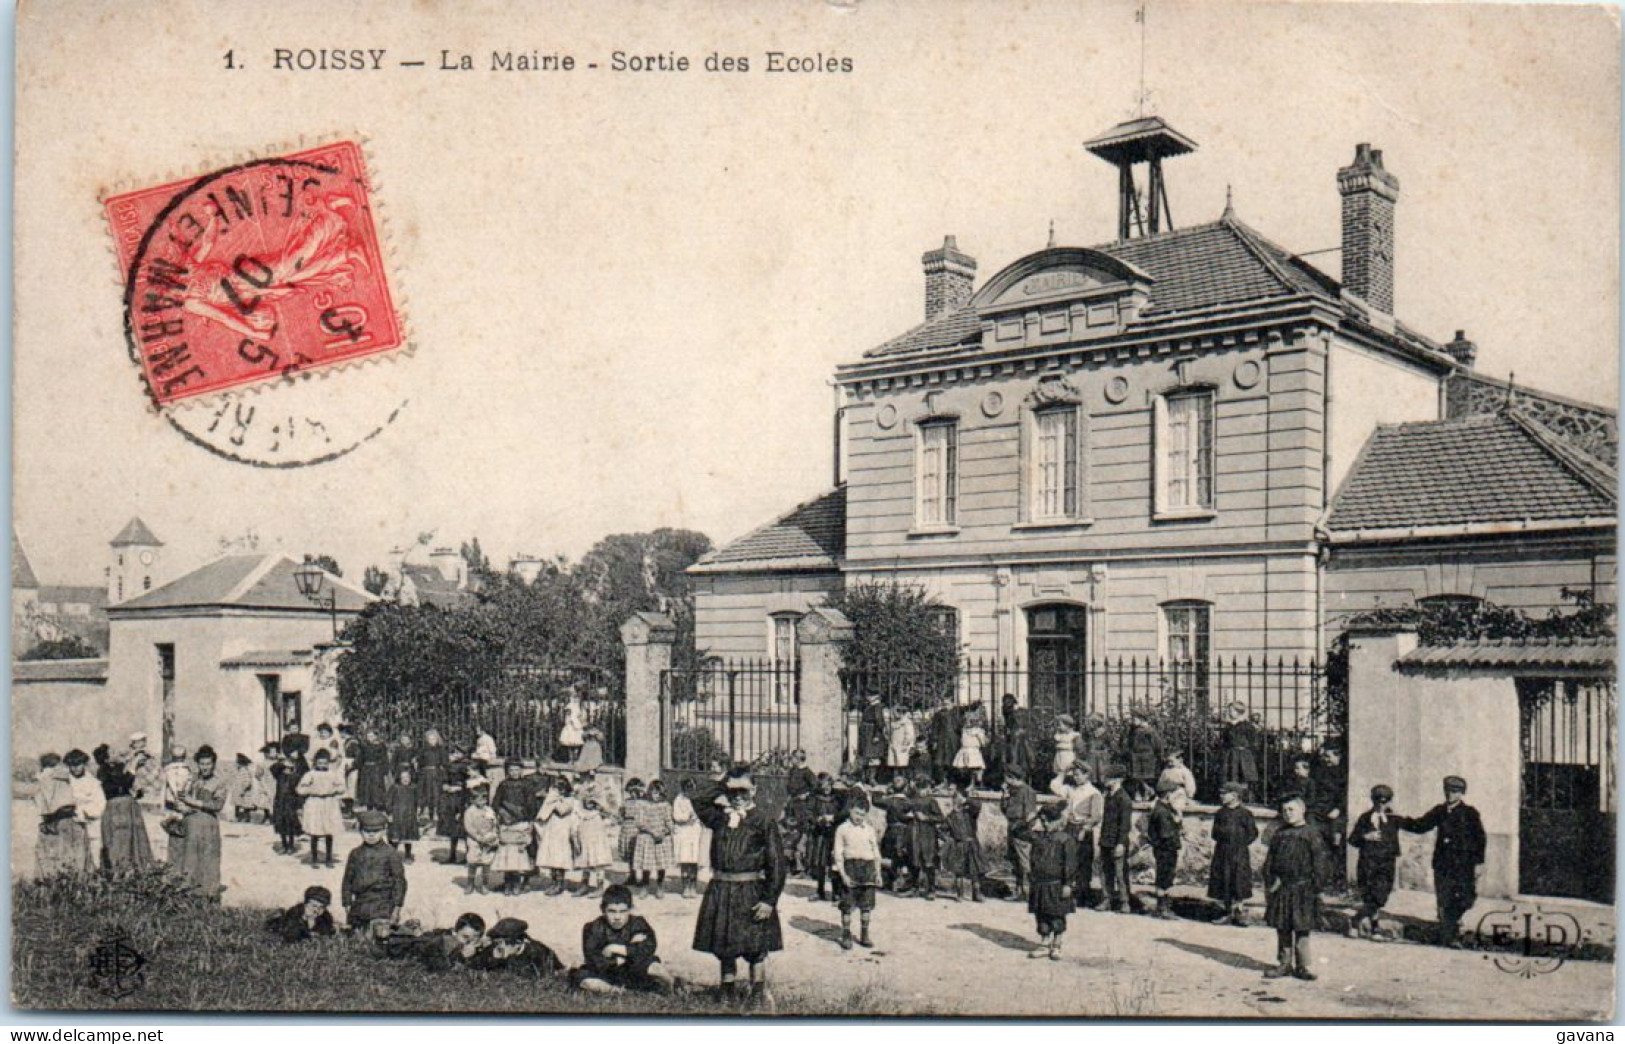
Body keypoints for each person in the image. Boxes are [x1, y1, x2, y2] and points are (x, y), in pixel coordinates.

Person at [691, 768, 786, 1004]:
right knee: (724, 945)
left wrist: (769, 900)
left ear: (754, 790)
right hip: (722, 889)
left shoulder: (764, 820)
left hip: (751, 891)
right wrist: (724, 782)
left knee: (755, 947)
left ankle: (757, 994)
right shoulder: (719, 817)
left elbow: (777, 864)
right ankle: (727, 991)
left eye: (744, 790)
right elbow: (699, 798)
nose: (738, 796)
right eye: (733, 791)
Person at [1401, 775, 1486, 948]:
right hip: (1443, 863)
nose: (1450, 795)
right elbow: (1421, 825)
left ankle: (1452, 923)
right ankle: (1450, 933)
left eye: (1454, 791)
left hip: (1464, 864)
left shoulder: (1470, 813)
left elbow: (1480, 838)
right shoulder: (1439, 811)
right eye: (1447, 791)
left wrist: (1479, 862)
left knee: (1466, 897)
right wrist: (1399, 820)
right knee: (1445, 897)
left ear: (1461, 793)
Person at [1264, 794, 1331, 980]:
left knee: (1302, 927)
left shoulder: (1311, 834)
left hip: (1304, 888)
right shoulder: (1279, 834)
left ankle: (1302, 966)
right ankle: (1284, 964)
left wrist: (1317, 887)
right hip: (1283, 887)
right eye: (1284, 810)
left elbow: (1320, 862)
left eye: (1291, 809)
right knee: (1283, 926)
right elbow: (1270, 862)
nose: (1287, 814)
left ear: (1302, 810)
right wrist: (1271, 881)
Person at [573, 884, 677, 994]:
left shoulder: (637, 923)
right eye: (612, 911)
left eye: (622, 911)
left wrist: (617, 948)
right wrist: (621, 958)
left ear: (630, 909)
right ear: (603, 909)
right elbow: (593, 960)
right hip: (605, 973)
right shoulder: (593, 928)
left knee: (652, 965)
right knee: (582, 977)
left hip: (632, 969)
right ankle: (615, 991)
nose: (617, 917)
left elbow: (650, 946)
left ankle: (673, 984)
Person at [1015, 802, 1077, 961]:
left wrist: (1068, 884)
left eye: (1050, 821)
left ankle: (1056, 944)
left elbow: (1070, 864)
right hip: (1039, 883)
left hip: (1056, 884)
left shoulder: (1065, 839)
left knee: (1056, 914)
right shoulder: (1038, 837)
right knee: (1041, 913)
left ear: (1058, 821)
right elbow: (1016, 831)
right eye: (1044, 821)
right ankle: (1044, 943)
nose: (1046, 824)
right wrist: (1032, 818)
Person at [169, 745, 227, 898]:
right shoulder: (192, 778)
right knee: (189, 857)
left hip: (208, 825)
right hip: (191, 824)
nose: (205, 767)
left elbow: (217, 805)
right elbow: (180, 797)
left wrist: (193, 802)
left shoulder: (219, 782)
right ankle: (190, 893)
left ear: (213, 764)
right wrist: (181, 805)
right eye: (202, 764)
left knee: (208, 858)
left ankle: (208, 893)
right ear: (198, 764)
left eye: (208, 764)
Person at [1348, 784, 1404, 939]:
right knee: (1370, 895)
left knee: (1381, 896)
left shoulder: (1394, 819)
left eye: (1384, 802)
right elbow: (1352, 840)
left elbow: (1415, 825)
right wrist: (1365, 837)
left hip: (1386, 863)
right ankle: (1375, 928)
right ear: (1373, 801)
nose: (1381, 805)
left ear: (1389, 802)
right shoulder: (1365, 818)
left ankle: (1355, 920)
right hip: (1368, 863)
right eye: (1377, 801)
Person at [343, 809, 407, 935]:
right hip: (359, 904)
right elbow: (347, 880)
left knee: (379, 938)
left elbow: (399, 882)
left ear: (383, 831)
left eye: (376, 831)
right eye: (367, 831)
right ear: (360, 831)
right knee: (356, 939)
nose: (371, 835)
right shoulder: (355, 854)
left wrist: (397, 908)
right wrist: (347, 903)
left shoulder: (390, 853)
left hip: (382, 905)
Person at [832, 797, 882, 948]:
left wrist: (878, 873)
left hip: (868, 868)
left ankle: (864, 934)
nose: (859, 817)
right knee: (847, 904)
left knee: (867, 904)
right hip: (850, 867)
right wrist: (843, 875)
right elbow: (838, 854)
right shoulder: (842, 829)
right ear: (850, 810)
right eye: (856, 813)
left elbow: (876, 852)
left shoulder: (869, 830)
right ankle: (846, 935)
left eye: (862, 814)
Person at [1050, 763, 1102, 906]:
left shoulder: (1094, 793)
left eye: (1078, 774)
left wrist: (1085, 829)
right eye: (1074, 774)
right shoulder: (1071, 789)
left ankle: (1082, 895)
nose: (1075, 777)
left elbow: (1096, 816)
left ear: (1087, 775)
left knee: (1083, 862)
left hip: (1083, 830)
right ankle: (1067, 892)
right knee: (1067, 860)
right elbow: (1054, 786)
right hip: (1069, 828)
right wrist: (1063, 772)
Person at [94, 744, 152, 870]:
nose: (117, 753)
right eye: (113, 752)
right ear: (106, 759)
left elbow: (133, 787)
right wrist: (132, 768)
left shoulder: (119, 768)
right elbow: (121, 783)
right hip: (117, 809)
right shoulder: (103, 771)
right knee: (120, 841)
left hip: (128, 807)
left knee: (134, 840)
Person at [1208, 781, 1258, 925]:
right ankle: (1227, 911)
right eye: (1221, 793)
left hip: (1239, 853)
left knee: (1239, 880)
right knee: (1224, 879)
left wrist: (1240, 843)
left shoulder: (1245, 814)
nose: (1221, 796)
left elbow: (1252, 833)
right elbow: (1214, 833)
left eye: (1225, 793)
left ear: (1235, 796)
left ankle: (1240, 912)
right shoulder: (1220, 813)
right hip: (1223, 852)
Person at [34, 753, 87, 875]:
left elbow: (42, 804)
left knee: (54, 856)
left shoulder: (43, 779)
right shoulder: (61, 776)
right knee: (72, 854)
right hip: (67, 817)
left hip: (52, 819)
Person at [1096, 765, 1138, 913]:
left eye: (1108, 778)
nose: (1105, 780)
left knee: (1120, 873)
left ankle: (1124, 902)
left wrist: (1120, 843)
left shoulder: (1124, 799)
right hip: (1106, 840)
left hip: (1117, 841)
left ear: (1118, 779)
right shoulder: (1108, 796)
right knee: (1105, 872)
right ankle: (1106, 899)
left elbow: (1125, 824)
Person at [296, 748, 345, 868]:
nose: (322, 765)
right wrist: (312, 790)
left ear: (328, 763)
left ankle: (328, 858)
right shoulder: (310, 774)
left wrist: (334, 790)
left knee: (329, 831)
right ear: (315, 763)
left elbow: (342, 787)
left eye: (325, 763)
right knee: (315, 831)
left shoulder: (333, 774)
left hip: (329, 803)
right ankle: (314, 858)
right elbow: (300, 789)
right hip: (315, 803)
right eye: (320, 763)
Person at [474, 917, 563, 978]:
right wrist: (493, 959)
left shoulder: (536, 953)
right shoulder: (496, 948)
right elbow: (478, 966)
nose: (498, 946)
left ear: (518, 943)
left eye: (502, 942)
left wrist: (506, 959)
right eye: (497, 942)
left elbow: (538, 979)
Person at [939, 785, 986, 902]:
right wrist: (947, 839)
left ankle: (977, 893)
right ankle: (960, 893)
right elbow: (941, 829)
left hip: (971, 844)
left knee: (974, 870)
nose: (957, 803)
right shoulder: (950, 817)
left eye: (959, 800)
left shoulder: (970, 814)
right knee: (959, 871)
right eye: (955, 801)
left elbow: (978, 805)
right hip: (958, 845)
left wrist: (967, 799)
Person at [630, 779, 675, 899]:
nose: (657, 796)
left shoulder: (665, 805)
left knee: (661, 864)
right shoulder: (642, 805)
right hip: (647, 836)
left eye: (659, 793)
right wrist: (651, 831)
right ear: (649, 792)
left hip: (661, 838)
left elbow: (669, 821)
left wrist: (666, 831)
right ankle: (645, 886)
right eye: (654, 793)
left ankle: (660, 886)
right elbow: (640, 822)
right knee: (646, 864)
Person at [1146, 778, 1184, 920]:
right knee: (1165, 877)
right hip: (1166, 849)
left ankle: (1162, 907)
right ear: (1168, 795)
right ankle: (1163, 908)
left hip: (1162, 848)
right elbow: (1165, 833)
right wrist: (1177, 825)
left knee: (1164, 876)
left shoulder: (1162, 807)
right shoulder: (1162, 811)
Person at [536, 776, 581, 896]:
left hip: (562, 832)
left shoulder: (570, 800)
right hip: (552, 830)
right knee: (551, 857)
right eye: (557, 787)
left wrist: (552, 801)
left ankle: (560, 884)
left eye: (561, 788)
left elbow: (562, 811)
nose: (559, 790)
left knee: (559, 858)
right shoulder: (554, 798)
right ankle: (554, 882)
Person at [1000, 767, 1038, 901]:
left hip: (1022, 830)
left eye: (1007, 777)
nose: (1005, 780)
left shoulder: (1027, 791)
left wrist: (1021, 828)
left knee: (1025, 862)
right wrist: (1004, 795)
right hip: (1012, 828)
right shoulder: (1011, 791)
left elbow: (1030, 815)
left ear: (1012, 777)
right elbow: (1004, 810)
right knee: (1014, 861)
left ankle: (1030, 892)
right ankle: (1019, 891)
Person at [803, 773, 842, 902]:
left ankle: (836, 892)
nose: (827, 789)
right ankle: (820, 891)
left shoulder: (837, 797)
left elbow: (841, 813)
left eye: (829, 785)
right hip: (819, 835)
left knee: (834, 863)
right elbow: (808, 813)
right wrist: (818, 820)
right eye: (824, 786)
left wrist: (833, 820)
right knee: (820, 864)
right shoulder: (814, 798)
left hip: (833, 834)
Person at [63, 749, 105, 867]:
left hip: (90, 822)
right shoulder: (65, 782)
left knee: (93, 852)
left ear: (84, 764)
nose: (75, 768)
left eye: (78, 764)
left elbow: (100, 804)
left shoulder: (93, 783)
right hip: (72, 822)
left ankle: (94, 876)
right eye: (71, 765)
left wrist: (87, 813)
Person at [908, 774, 944, 900]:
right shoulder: (911, 800)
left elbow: (940, 818)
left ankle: (931, 889)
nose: (921, 791)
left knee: (929, 861)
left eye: (924, 788)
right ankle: (915, 887)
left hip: (928, 835)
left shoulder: (931, 801)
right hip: (915, 833)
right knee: (914, 859)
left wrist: (927, 818)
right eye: (919, 787)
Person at [269, 743, 308, 855]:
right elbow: (273, 768)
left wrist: (299, 805)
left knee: (290, 825)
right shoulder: (279, 774)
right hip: (280, 802)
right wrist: (281, 761)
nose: (287, 769)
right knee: (281, 825)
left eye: (290, 768)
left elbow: (299, 788)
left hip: (291, 803)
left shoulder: (296, 776)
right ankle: (284, 845)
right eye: (286, 768)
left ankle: (291, 845)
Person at [264, 885, 337, 944]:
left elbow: (327, 933)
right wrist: (306, 922)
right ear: (305, 904)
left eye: (321, 907)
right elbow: (290, 935)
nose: (316, 910)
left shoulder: (325, 916)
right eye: (313, 906)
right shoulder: (295, 912)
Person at [672, 776, 707, 898]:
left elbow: (703, 813)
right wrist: (687, 817)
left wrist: (700, 818)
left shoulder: (697, 799)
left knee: (694, 861)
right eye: (688, 788)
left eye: (692, 788)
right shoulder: (679, 800)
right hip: (684, 832)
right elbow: (676, 816)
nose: (690, 791)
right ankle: (686, 887)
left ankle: (693, 886)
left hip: (695, 832)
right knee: (685, 861)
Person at [421, 913, 492, 972]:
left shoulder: (476, 947)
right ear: (454, 932)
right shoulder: (439, 943)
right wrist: (461, 956)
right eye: (465, 937)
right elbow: (438, 970)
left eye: (474, 939)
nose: (469, 943)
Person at [573, 794, 613, 898]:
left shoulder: (598, 815)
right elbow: (576, 828)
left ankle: (600, 887)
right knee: (585, 865)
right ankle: (584, 885)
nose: (589, 804)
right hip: (585, 843)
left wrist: (602, 808)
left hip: (597, 844)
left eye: (592, 802)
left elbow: (610, 817)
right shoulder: (581, 814)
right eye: (587, 802)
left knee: (598, 866)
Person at [462, 783, 499, 894]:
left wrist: (492, 835)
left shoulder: (489, 810)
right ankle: (470, 884)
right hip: (474, 839)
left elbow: (494, 823)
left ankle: (484, 884)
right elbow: (468, 827)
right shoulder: (470, 812)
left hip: (488, 839)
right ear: (473, 800)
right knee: (473, 861)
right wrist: (477, 837)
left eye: (484, 799)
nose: (481, 802)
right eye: (478, 799)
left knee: (486, 863)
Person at [1220, 702, 1260, 794]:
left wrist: (1247, 752)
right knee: (1231, 774)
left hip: (1243, 754)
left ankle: (1244, 796)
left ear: (1239, 712)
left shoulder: (1247, 726)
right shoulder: (1228, 726)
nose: (1229, 713)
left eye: (1231, 711)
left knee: (1244, 775)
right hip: (1230, 754)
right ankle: (1232, 793)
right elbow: (1225, 741)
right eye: (1229, 710)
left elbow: (1253, 742)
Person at [439, 750, 470, 864]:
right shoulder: (448, 765)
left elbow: (472, 782)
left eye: (458, 753)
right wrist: (445, 785)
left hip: (462, 798)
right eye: (453, 752)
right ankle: (452, 854)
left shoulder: (467, 766)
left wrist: (459, 788)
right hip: (451, 799)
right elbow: (444, 779)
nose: (455, 755)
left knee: (464, 827)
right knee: (452, 828)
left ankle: (468, 855)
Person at [997, 694, 1034, 786]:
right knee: (1008, 757)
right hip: (1010, 738)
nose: (1006, 705)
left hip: (1017, 739)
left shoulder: (1017, 713)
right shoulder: (1006, 713)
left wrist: (1018, 731)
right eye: (1005, 702)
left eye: (1009, 702)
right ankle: (1010, 777)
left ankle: (1021, 777)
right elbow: (1006, 726)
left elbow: (1022, 727)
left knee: (1020, 757)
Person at [1127, 711, 1164, 801]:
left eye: (1135, 719)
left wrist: (1158, 755)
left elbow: (1157, 744)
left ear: (1142, 719)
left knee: (1146, 777)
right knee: (1136, 777)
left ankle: (1149, 793)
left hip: (1147, 757)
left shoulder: (1150, 731)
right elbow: (1129, 743)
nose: (1132, 721)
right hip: (1135, 757)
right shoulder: (1133, 731)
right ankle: (1141, 793)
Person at [417, 728, 449, 830]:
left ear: (437, 739)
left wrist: (444, 777)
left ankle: (436, 816)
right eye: (430, 738)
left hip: (436, 775)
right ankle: (426, 816)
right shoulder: (423, 750)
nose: (432, 740)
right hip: (425, 775)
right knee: (426, 795)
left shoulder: (441, 750)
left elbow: (445, 764)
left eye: (434, 738)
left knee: (436, 795)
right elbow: (420, 763)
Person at [387, 765, 421, 862]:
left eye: (408, 777)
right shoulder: (395, 788)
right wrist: (389, 813)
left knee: (408, 837)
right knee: (395, 836)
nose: (406, 780)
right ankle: (392, 856)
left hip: (409, 815)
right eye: (403, 778)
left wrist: (418, 812)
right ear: (399, 778)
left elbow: (417, 801)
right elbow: (388, 801)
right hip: (397, 815)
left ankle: (408, 855)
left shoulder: (413, 788)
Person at [354, 728, 391, 811]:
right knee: (367, 789)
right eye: (368, 736)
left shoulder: (381, 746)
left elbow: (384, 758)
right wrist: (357, 766)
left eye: (371, 736)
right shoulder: (363, 747)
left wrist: (384, 769)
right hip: (366, 771)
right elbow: (360, 759)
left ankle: (378, 806)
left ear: (375, 736)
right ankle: (368, 807)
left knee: (376, 789)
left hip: (376, 770)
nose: (369, 737)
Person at [952, 709, 989, 788]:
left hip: (972, 750)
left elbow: (983, 742)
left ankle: (974, 782)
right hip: (966, 749)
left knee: (974, 766)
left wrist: (982, 742)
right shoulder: (965, 730)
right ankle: (968, 782)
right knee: (965, 767)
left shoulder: (978, 731)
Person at [857, 693, 888, 784]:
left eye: (870, 695)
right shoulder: (869, 706)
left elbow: (880, 723)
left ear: (876, 697)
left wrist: (877, 735)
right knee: (866, 757)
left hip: (872, 734)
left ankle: (872, 778)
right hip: (867, 734)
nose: (867, 697)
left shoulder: (877, 707)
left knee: (873, 757)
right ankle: (865, 778)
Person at [229, 753, 264, 823]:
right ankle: (240, 818)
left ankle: (242, 818)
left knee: (245, 806)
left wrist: (242, 790)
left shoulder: (244, 771)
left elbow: (247, 781)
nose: (235, 764)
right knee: (240, 805)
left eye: (237, 763)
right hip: (240, 792)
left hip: (244, 793)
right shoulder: (241, 770)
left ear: (240, 764)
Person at [887, 711, 917, 784]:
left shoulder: (906, 722)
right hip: (894, 744)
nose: (895, 714)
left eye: (898, 712)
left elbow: (910, 735)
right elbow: (888, 732)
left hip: (902, 745)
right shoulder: (893, 722)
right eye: (894, 712)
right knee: (895, 765)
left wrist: (905, 744)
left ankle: (903, 780)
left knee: (902, 764)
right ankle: (895, 780)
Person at [559, 692, 585, 763]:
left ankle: (575, 758)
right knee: (570, 743)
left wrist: (580, 723)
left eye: (578, 698)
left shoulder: (579, 706)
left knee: (577, 744)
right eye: (575, 697)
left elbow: (580, 716)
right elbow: (568, 716)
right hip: (571, 726)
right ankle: (571, 759)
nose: (577, 699)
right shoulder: (570, 706)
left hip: (577, 725)